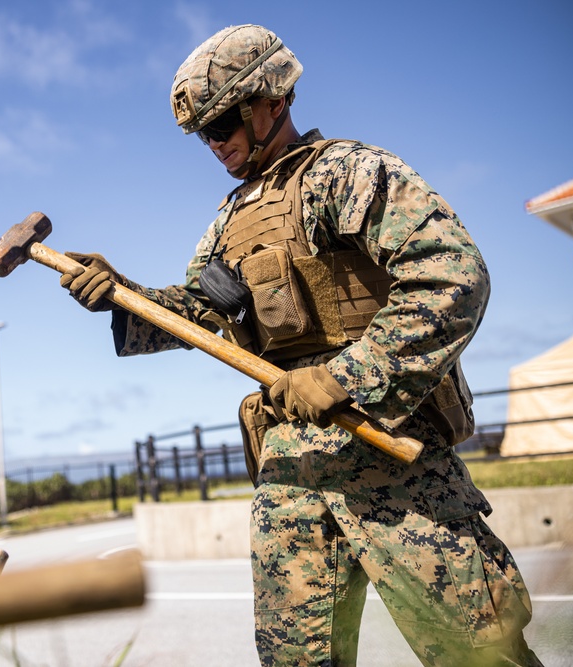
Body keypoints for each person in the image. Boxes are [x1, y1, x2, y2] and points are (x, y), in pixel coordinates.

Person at [60, 24, 541, 666]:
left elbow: (452, 273)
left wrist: (349, 376)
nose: (218, 142)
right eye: (205, 132)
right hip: (291, 475)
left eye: (226, 121)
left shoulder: (347, 173)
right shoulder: (230, 221)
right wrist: (122, 295)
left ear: (274, 101)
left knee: (476, 653)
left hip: (390, 458)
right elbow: (201, 314)